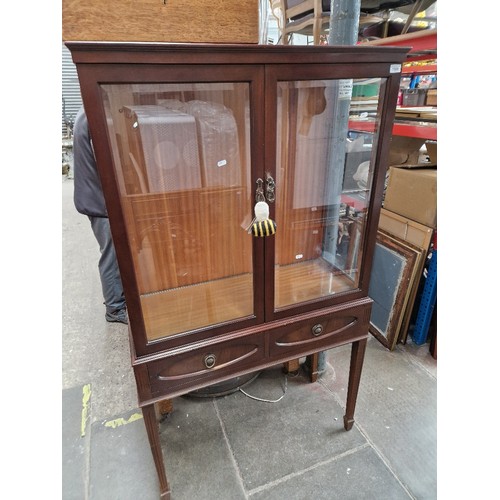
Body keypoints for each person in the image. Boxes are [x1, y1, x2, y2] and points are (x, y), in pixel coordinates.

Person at [72, 107, 128, 324]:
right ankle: (114, 309)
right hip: (99, 201)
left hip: (93, 196)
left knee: (112, 252)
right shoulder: (94, 115)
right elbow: (106, 163)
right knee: (111, 255)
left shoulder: (85, 110)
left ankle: (118, 299)